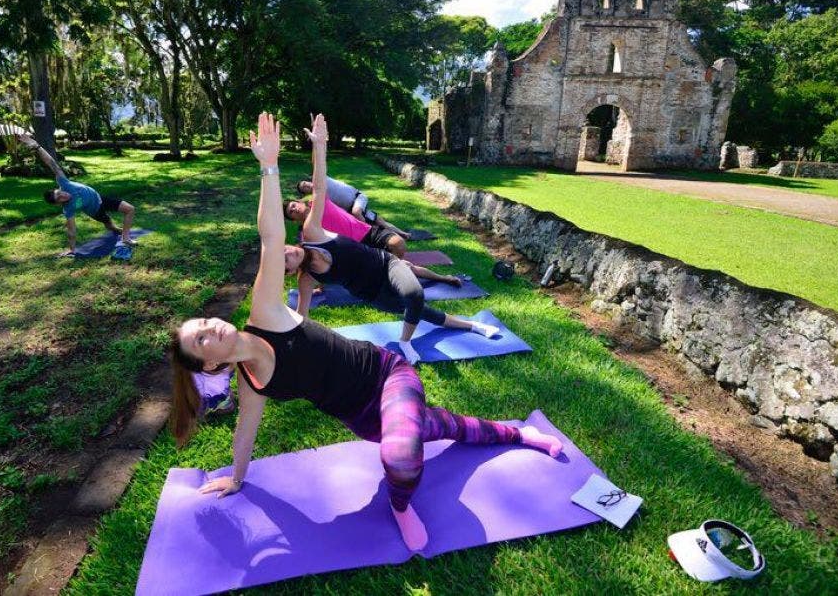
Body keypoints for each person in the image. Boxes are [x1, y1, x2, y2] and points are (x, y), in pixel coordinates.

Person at [169, 111, 563, 552]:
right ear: (210, 362)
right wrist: (237, 478)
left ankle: (399, 506)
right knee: (446, 427)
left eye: (204, 323)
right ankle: (518, 434)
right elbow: (246, 428)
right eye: (201, 338)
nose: (211, 327)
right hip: (362, 417)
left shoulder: (264, 312)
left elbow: (269, 236)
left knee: (400, 456)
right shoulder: (251, 381)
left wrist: (270, 166)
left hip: (387, 373)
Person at [288, 117, 496, 366]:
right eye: (285, 261)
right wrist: (292, 348)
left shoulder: (312, 233)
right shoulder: (307, 279)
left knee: (415, 294)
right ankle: (472, 325)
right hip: (373, 294)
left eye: (285, 251)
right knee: (421, 312)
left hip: (386, 264)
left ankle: (405, 342)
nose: (289, 254)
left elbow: (320, 188)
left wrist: (319, 146)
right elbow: (302, 317)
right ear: (290, 271)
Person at [19, 134, 136, 256]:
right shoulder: (68, 208)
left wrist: (37, 147)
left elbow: (51, 163)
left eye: (60, 193)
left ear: (59, 189)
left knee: (130, 209)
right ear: (59, 203)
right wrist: (72, 249)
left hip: (100, 198)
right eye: (59, 198)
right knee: (109, 224)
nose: (63, 195)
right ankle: (114, 229)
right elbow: (71, 230)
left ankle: (125, 238)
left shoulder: (64, 183)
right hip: (95, 211)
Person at [284, 196, 407, 258]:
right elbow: (317, 258)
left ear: (300, 201)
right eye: (291, 212)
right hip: (353, 250)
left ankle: (392, 268)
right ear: (294, 220)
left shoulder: (318, 200)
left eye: (294, 205)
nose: (295, 209)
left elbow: (318, 178)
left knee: (399, 244)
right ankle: (389, 271)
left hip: (367, 232)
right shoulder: (307, 233)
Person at [296, 176, 409, 239]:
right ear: (306, 192)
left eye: (305, 183)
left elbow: (316, 161)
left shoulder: (321, 178)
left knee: (357, 213)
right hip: (350, 209)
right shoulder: (319, 198)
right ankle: (402, 234)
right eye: (304, 188)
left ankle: (372, 234)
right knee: (379, 221)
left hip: (358, 198)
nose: (307, 186)